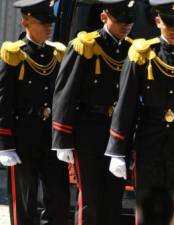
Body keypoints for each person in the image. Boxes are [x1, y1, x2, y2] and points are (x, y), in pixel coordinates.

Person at [104, 1, 174, 224]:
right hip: (149, 143)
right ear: (157, 22)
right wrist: (117, 150)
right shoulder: (143, 53)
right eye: (169, 25)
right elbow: (127, 104)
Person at [51, 1, 135, 224]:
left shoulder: (133, 49)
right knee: (89, 196)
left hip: (118, 131)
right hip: (89, 127)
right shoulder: (85, 45)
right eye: (120, 21)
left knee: (113, 195)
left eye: (129, 21)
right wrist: (62, 138)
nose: (125, 26)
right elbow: (66, 92)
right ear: (104, 17)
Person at [0, 0, 70, 224]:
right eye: (42, 23)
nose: (49, 27)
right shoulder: (14, 54)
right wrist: (5, 144)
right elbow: (3, 101)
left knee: (58, 195)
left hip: (49, 134)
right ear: (25, 22)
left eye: (51, 22)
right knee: (25, 197)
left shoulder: (56, 53)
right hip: (23, 133)